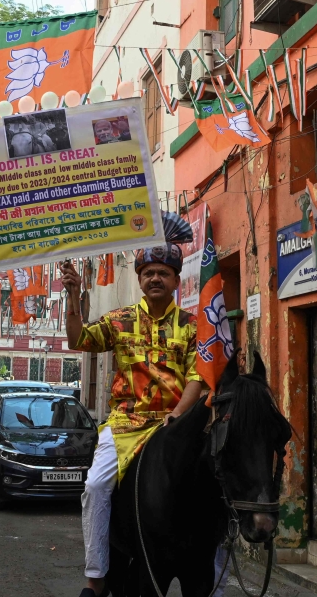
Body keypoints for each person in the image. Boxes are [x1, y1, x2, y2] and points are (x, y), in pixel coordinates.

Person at [61, 239, 204, 597]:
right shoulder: (120, 320)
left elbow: (198, 376)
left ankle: (212, 579)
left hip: (176, 424)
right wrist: (74, 294)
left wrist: (178, 414)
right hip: (125, 424)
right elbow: (79, 339)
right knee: (95, 487)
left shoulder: (192, 325)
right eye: (149, 273)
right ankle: (95, 579)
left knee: (213, 490)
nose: (156, 278)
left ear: (176, 280)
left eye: (164, 273)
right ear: (140, 280)